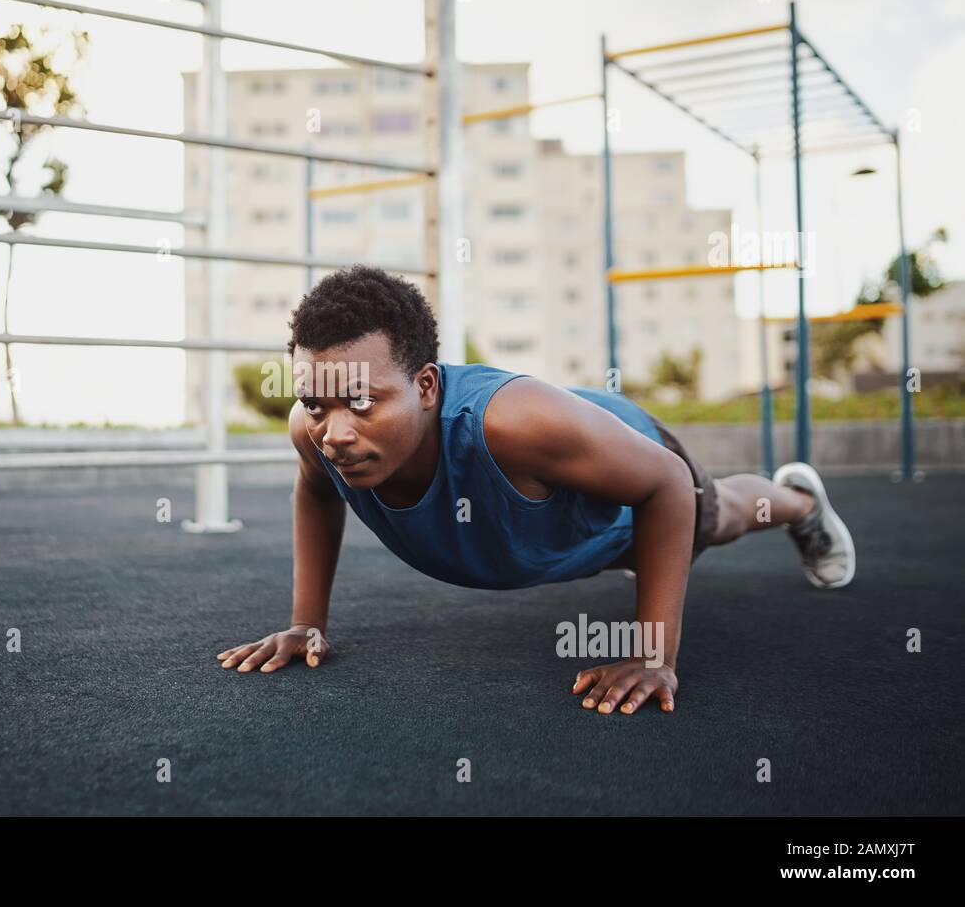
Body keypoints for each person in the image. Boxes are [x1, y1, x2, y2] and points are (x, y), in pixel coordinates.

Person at [217, 266, 856, 714]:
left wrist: (652, 654)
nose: (336, 433)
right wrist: (307, 625)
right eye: (316, 403)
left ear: (428, 387)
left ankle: (800, 499)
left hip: (628, 465)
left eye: (362, 402)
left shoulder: (512, 424)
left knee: (714, 518)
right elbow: (317, 491)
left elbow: (664, 482)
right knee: (640, 555)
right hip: (555, 527)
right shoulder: (313, 431)